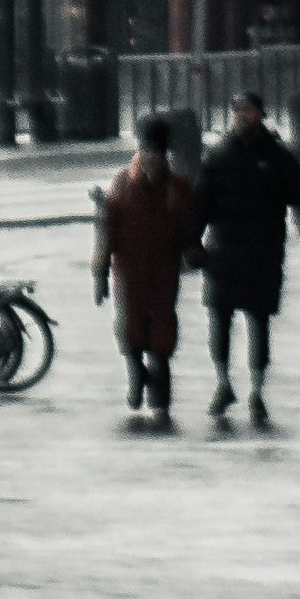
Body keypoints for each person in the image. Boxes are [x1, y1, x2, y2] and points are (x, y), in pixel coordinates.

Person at [190, 88, 300, 426]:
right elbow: (199, 205)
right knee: (219, 321)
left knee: (258, 323)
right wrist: (190, 242)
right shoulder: (217, 157)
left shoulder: (279, 158)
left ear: (261, 114)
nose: (242, 116)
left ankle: (257, 392)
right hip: (222, 252)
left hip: (263, 254)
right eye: (237, 112)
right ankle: (223, 384)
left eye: (248, 111)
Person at [94, 110, 199, 425]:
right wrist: (99, 273)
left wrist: (193, 251)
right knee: (129, 328)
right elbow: (106, 231)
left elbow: (187, 227)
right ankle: (136, 373)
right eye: (148, 150)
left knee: (163, 330)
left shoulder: (177, 186)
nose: (153, 157)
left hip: (164, 270)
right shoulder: (123, 183)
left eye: (158, 151)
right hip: (128, 270)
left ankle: (160, 396)